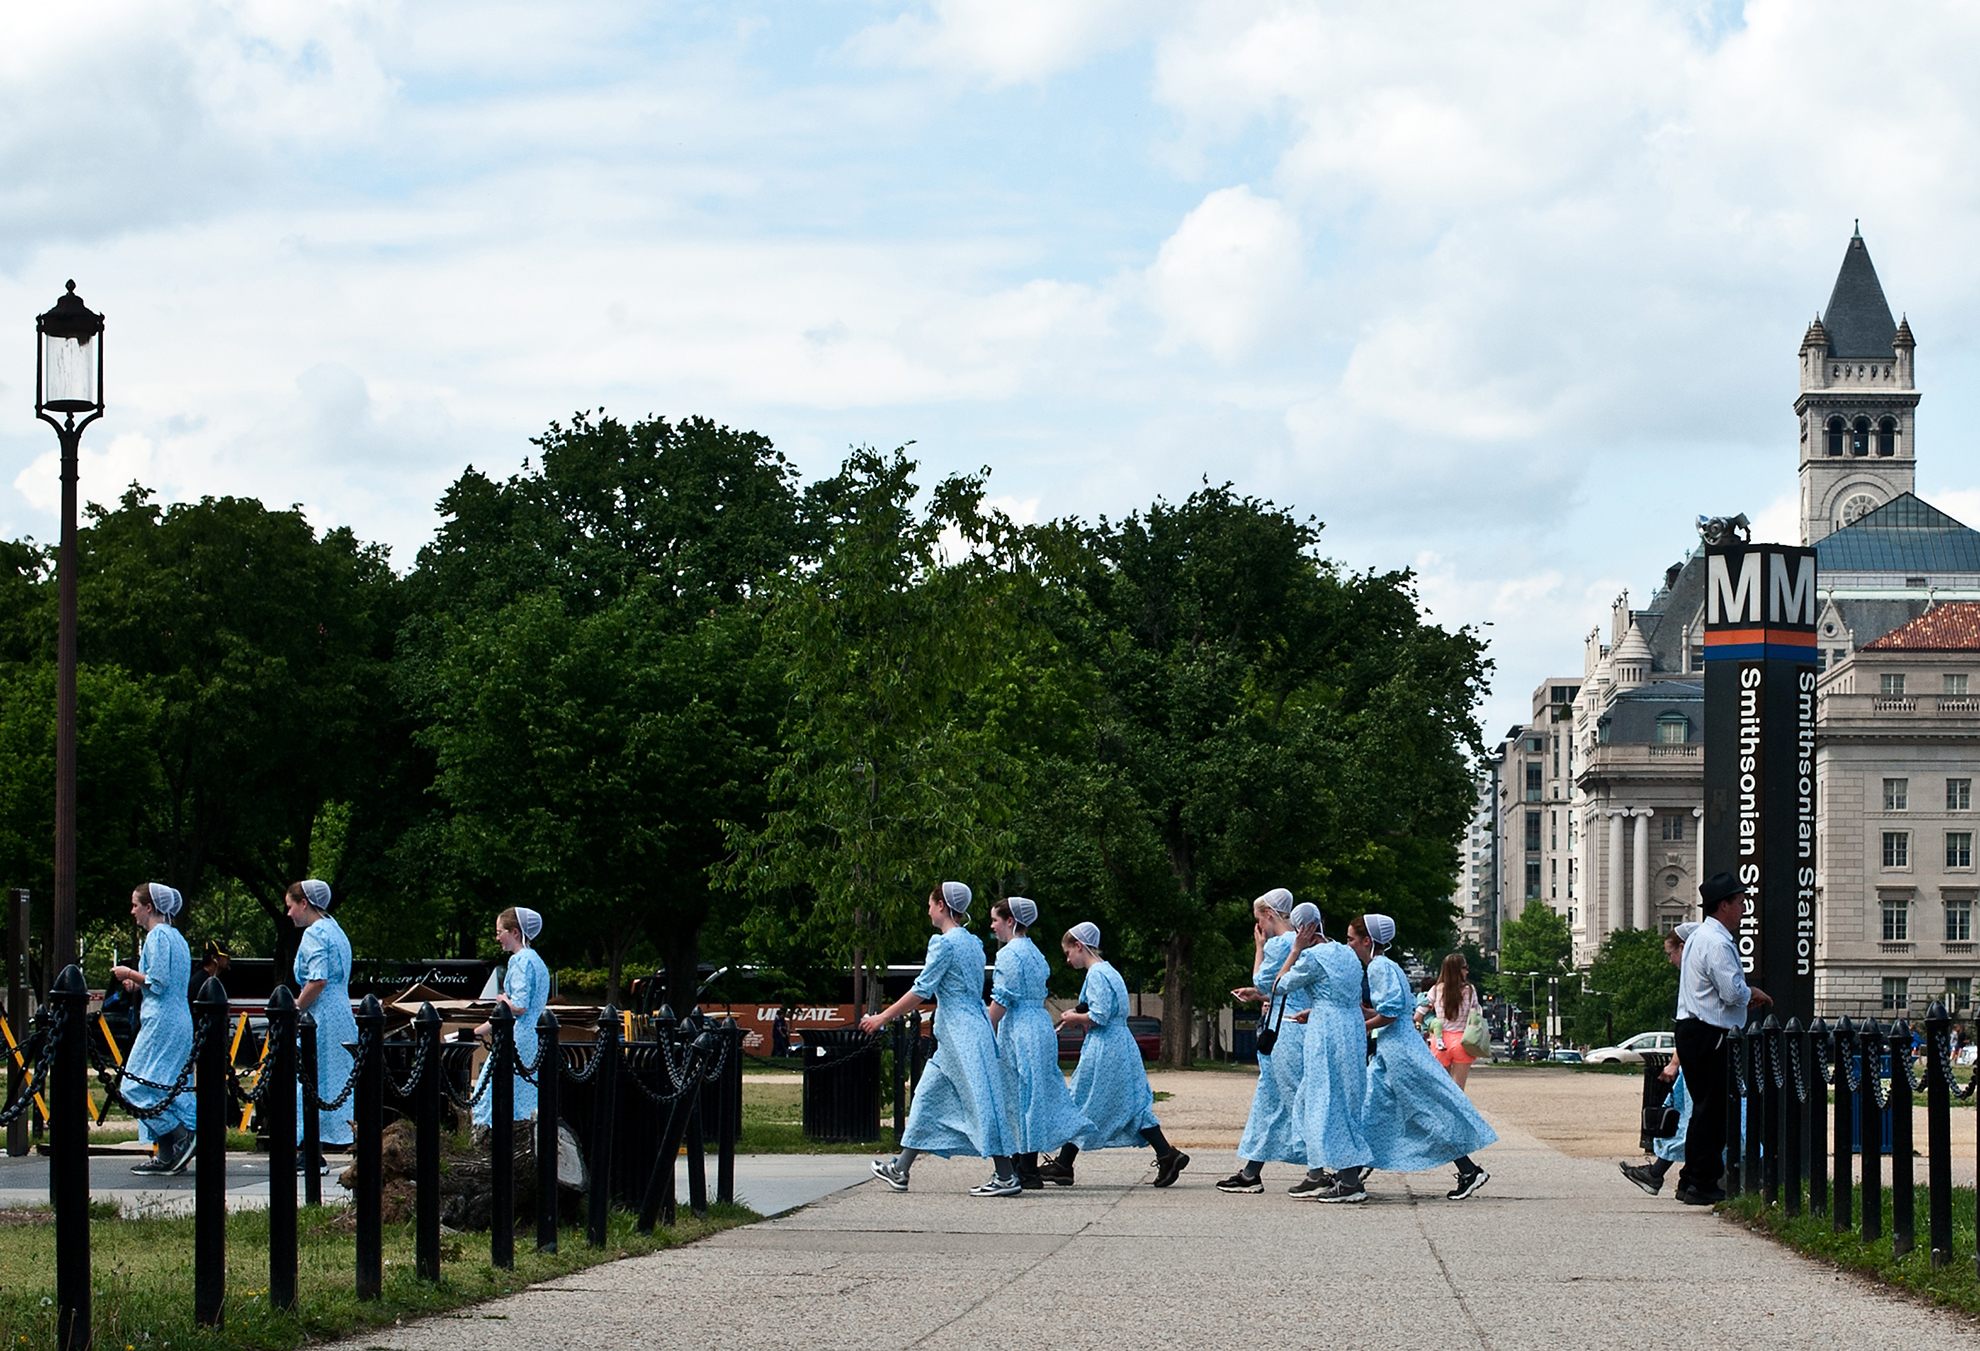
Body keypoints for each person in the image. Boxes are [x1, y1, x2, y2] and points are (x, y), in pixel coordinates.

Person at [863, 883, 1021, 1196]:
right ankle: (901, 1169)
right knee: (926, 1096)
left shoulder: (944, 944)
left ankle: (1006, 1176)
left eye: (930, 904)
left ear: (941, 905)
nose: (928, 910)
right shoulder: (974, 943)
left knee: (981, 1101)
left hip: (962, 1035)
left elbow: (922, 990)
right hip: (960, 1033)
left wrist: (882, 1017)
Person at [1337, 913, 1496, 1203]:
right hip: (1394, 1050)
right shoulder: (1388, 966)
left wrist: (1359, 1025)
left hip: (1399, 1053)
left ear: (1367, 941)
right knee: (1374, 1109)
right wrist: (1367, 1015)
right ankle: (1353, 1172)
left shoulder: (1377, 969)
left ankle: (1469, 1169)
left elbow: (1391, 1013)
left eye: (1350, 939)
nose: (1348, 945)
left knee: (1424, 1113)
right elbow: (1395, 1011)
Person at [1040, 922, 1189, 1187]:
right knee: (1130, 1104)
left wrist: (1075, 1018)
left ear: (1079, 946)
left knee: (1081, 1100)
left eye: (1068, 952)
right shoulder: (1110, 972)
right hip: (1122, 1045)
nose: (1067, 959)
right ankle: (1166, 1155)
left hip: (1105, 1047)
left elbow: (1099, 1016)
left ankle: (1064, 1165)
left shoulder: (1096, 974)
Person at [1673, 873, 1772, 1205]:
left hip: (1694, 1029)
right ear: (1724, 905)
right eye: (1739, 902)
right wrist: (1751, 992)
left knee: (1705, 1108)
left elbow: (1683, 930)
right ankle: (1701, 1182)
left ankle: (1691, 1179)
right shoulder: (1716, 943)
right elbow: (1731, 992)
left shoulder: (1700, 935)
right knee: (1712, 1110)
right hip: (1709, 1032)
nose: (1744, 907)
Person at [987, 896, 1091, 1190]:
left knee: (1018, 1096)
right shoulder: (1035, 953)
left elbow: (1002, 1000)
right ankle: (1026, 1165)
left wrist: (985, 1029)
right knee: (1031, 1096)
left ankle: (1026, 1168)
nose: (992, 925)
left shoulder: (1009, 955)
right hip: (1039, 1025)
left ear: (1010, 921)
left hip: (1019, 1027)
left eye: (996, 919)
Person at [1275, 902, 1374, 1198]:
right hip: (1351, 1027)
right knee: (1328, 1098)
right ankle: (1317, 1172)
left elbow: (1279, 985)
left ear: (1299, 929)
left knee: (1324, 1100)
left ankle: (1348, 1181)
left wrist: (1295, 950)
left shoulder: (1312, 958)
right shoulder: (1346, 953)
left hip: (1326, 1033)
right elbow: (1346, 994)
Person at [1218, 888, 1304, 1193]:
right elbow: (1284, 988)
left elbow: (1262, 979)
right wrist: (1263, 995)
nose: (1260, 927)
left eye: (1260, 920)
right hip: (1290, 1026)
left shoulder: (1280, 943)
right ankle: (1252, 1171)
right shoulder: (1300, 942)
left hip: (1285, 1033)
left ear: (1268, 915)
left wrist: (1259, 947)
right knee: (1272, 1103)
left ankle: (1330, 1169)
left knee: (1294, 1101)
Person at [108, 883, 198, 1175]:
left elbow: (158, 981)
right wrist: (137, 983)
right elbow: (166, 982)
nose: (132, 910)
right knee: (168, 1084)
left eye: (136, 904)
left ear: (149, 907)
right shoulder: (176, 937)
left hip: (161, 1021)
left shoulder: (157, 936)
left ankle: (177, 1135)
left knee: (135, 1085)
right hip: (178, 1018)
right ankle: (168, 1153)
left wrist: (128, 973)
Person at [1621, 925, 1695, 1195]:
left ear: (1683, 949)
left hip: (1697, 1061)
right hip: (1697, 1059)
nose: (1669, 960)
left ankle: (1659, 1174)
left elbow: (1690, 1025)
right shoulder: (1694, 976)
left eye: (1670, 953)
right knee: (1688, 1119)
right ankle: (1671, 1175)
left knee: (1689, 1121)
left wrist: (1675, 1063)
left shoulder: (1693, 977)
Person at [288, 879, 356, 1173]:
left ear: (304, 903)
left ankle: (309, 1149)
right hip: (342, 1012)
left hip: (320, 1016)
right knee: (332, 1081)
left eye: (290, 906)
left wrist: (296, 1006)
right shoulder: (336, 930)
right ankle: (319, 1145)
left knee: (309, 1079)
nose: (288, 913)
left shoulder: (314, 933)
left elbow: (317, 979)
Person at [472, 906, 552, 1131]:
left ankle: (492, 1142)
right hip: (534, 1036)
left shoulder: (519, 960)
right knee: (525, 1092)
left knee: (492, 1089)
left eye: (500, 932)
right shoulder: (537, 960)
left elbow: (519, 1006)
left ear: (515, 932)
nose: (497, 937)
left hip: (518, 1038)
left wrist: (502, 999)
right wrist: (476, 1031)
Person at [1420, 953, 1482, 1090]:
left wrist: (1431, 1023)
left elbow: (1418, 1016)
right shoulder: (1469, 990)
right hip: (1463, 1041)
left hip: (1440, 1041)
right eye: (1464, 967)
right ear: (1457, 970)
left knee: (1441, 1090)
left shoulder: (1435, 990)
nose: (1467, 971)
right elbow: (1477, 1014)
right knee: (1458, 1090)